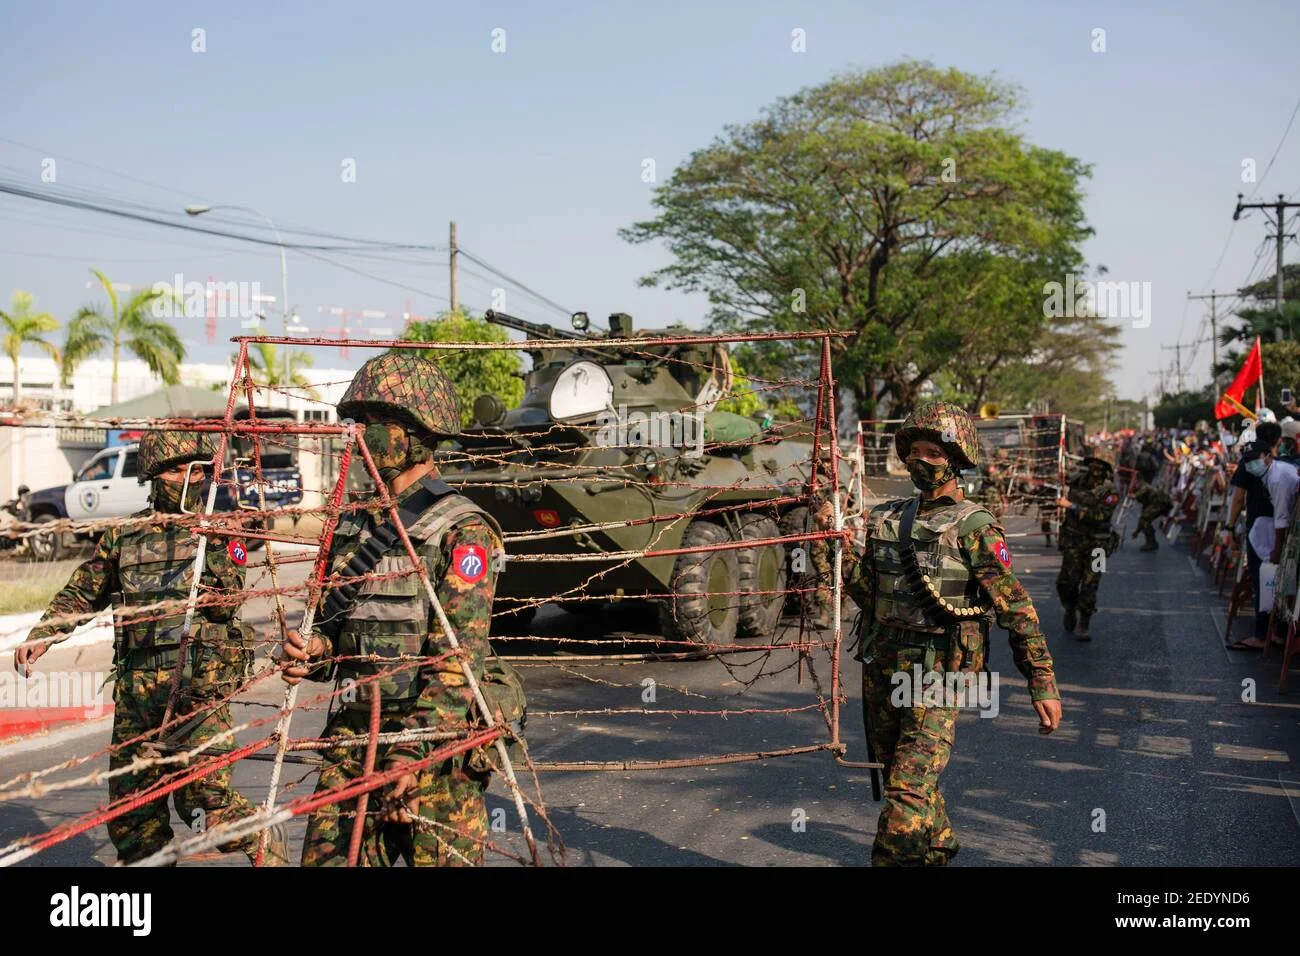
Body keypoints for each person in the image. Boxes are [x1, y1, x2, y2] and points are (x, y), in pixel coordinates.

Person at [14, 430, 289, 865]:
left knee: (206, 810)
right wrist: (46, 633)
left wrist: (220, 542)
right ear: (153, 475)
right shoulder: (125, 535)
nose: (187, 479)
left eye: (196, 470)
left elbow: (229, 597)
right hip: (137, 692)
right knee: (133, 817)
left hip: (197, 691)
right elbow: (86, 590)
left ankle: (263, 844)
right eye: (177, 470)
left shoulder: (218, 532)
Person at [280, 351, 509, 866]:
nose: (361, 436)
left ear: (415, 433)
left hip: (434, 747)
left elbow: (459, 662)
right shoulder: (355, 528)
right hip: (356, 740)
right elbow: (336, 639)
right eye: (357, 422)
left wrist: (412, 754)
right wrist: (312, 650)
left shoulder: (461, 531)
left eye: (374, 424)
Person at [843, 401, 1062, 867]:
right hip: (883, 666)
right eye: (915, 451)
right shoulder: (885, 518)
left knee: (905, 792)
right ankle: (939, 848)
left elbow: (1016, 609)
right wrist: (836, 553)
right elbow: (869, 597)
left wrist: (1041, 682)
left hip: (942, 674)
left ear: (957, 459)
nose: (921, 460)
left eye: (934, 453)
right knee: (907, 779)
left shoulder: (975, 527)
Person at [1055, 449, 1120, 641]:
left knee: (1091, 584)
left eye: (1100, 466)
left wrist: (1071, 506)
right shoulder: (1077, 481)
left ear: (1107, 469)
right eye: (1092, 464)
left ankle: (1084, 621)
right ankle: (1069, 608)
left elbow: (1101, 516)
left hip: (1098, 544)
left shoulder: (1110, 492)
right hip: (1074, 540)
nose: (1095, 469)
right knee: (1066, 582)